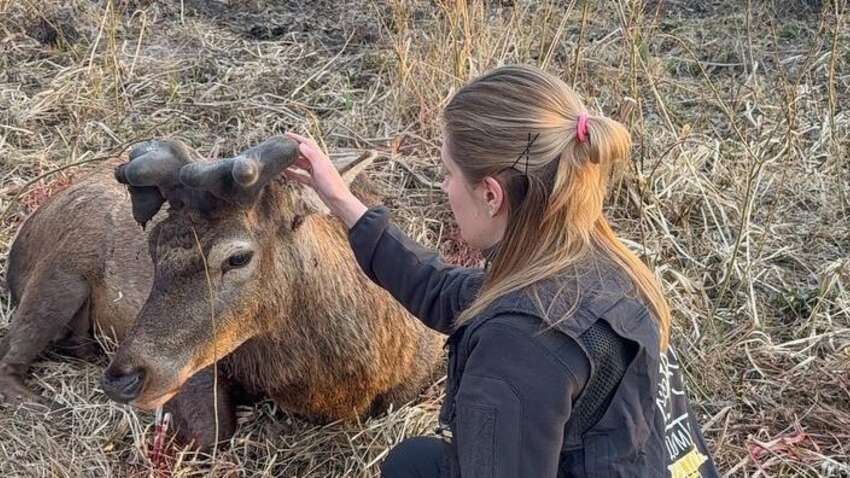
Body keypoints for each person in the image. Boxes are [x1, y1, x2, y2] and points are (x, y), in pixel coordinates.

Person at [283, 64, 718, 477]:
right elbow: (444, 290)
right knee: (416, 463)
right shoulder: (595, 264)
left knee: (411, 467)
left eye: (447, 172)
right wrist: (341, 201)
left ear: (491, 195)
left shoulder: (517, 348)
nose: (442, 187)